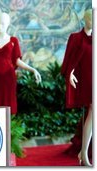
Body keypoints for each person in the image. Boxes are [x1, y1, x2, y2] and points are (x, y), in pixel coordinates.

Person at [0, 12, 41, 114]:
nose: (0, 26)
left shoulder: (13, 40)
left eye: (3, 24)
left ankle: (9, 128)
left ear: (8, 25)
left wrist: (32, 69)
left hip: (9, 78)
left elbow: (17, 61)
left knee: (8, 106)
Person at [61, 9, 92, 166]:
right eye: (90, 18)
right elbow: (69, 59)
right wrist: (69, 74)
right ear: (84, 20)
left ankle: (83, 153)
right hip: (85, 81)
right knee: (92, 115)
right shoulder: (76, 38)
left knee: (93, 117)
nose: (93, 21)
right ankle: (84, 153)